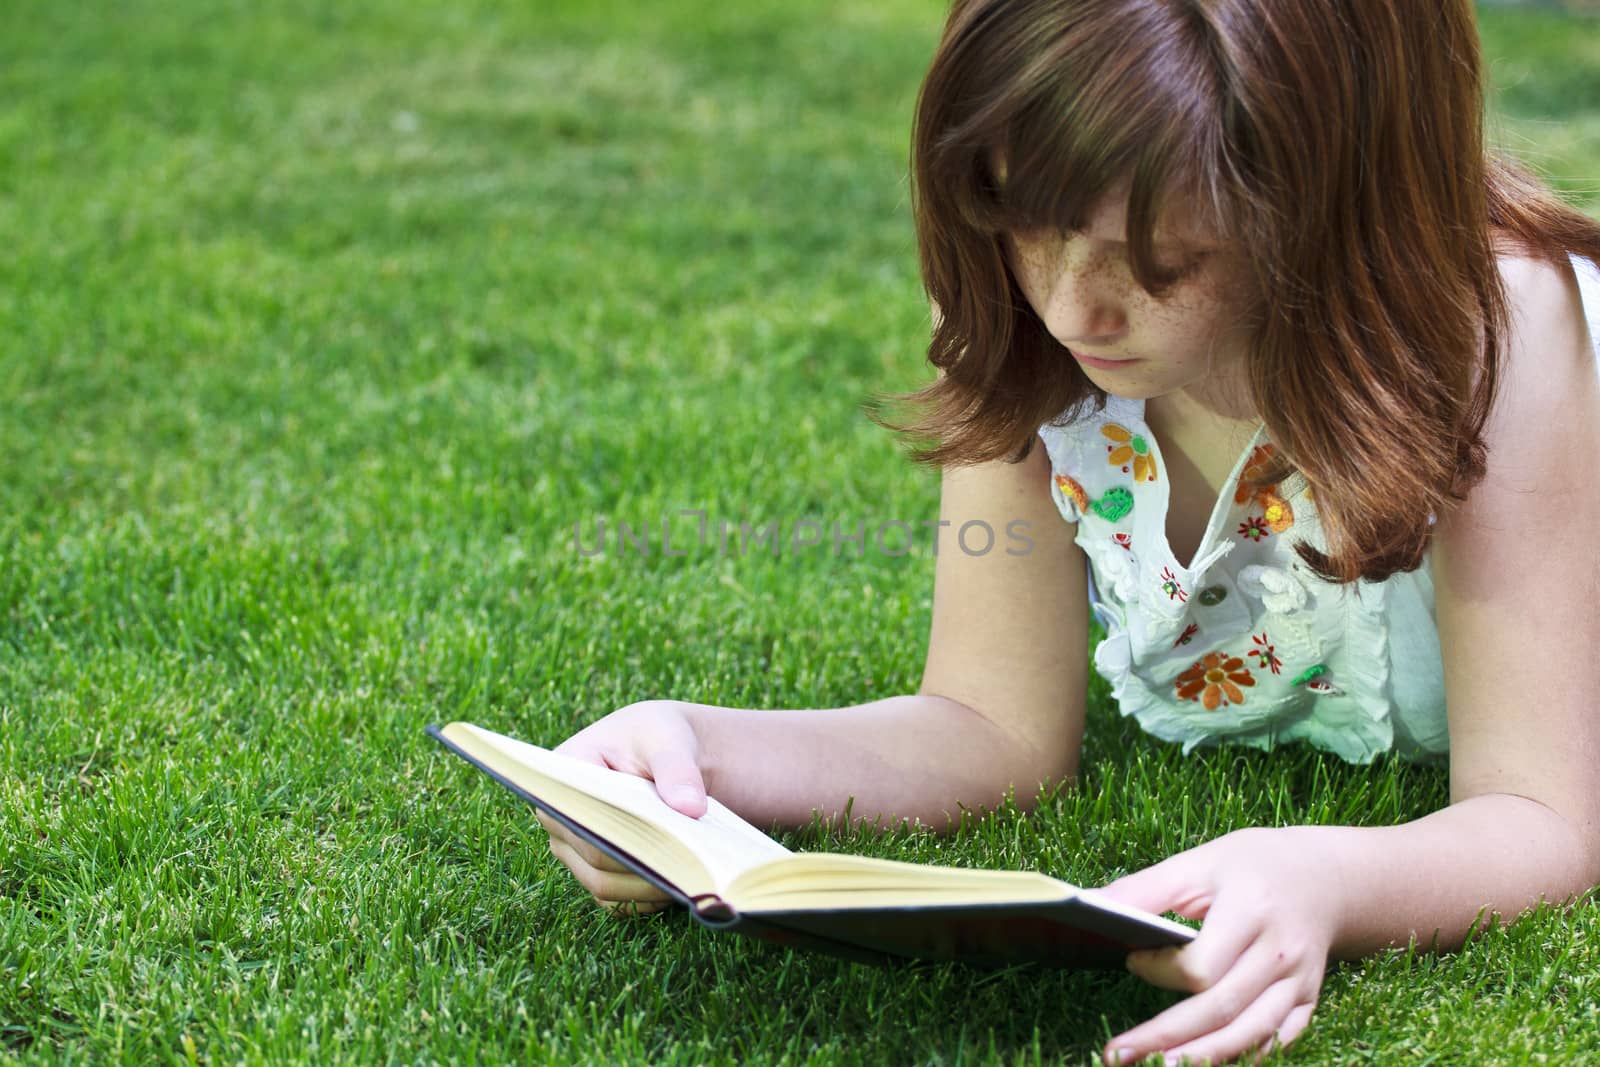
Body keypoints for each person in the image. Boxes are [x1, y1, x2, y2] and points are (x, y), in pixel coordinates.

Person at [539, 1, 1600, 1062]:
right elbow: (987, 724)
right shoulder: (1040, 347)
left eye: (1164, 262)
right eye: (1027, 226)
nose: (1070, 309)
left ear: (1336, 207)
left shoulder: (1500, 337)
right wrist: (698, 753)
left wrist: (1324, 877)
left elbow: (1540, 816)